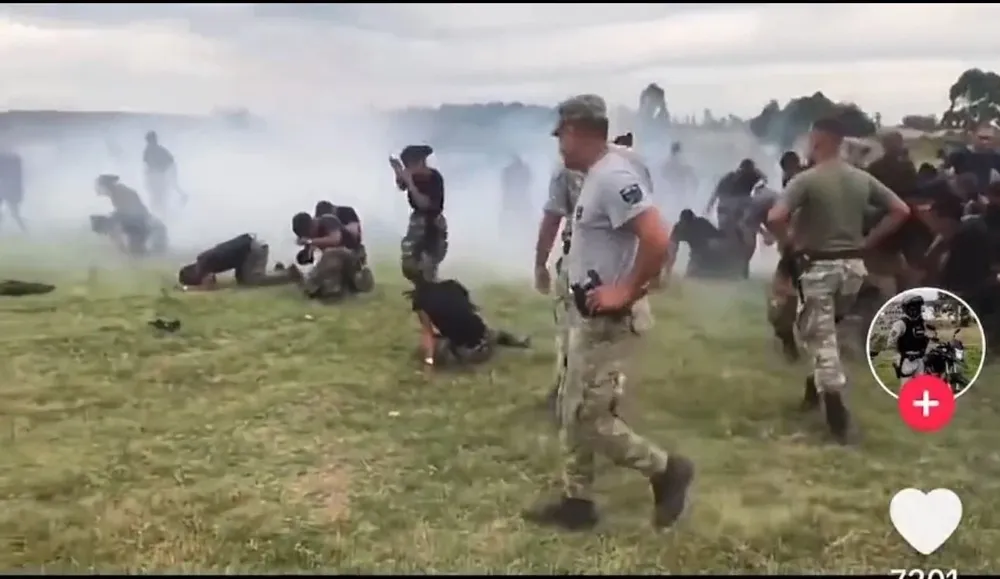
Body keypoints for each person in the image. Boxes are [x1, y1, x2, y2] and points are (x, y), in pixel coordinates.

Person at [524, 94, 694, 531]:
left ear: (577, 131)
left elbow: (656, 237)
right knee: (571, 408)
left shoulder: (612, 177)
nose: (559, 145)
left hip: (608, 321)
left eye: (561, 135)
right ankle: (577, 501)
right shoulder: (596, 175)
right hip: (587, 314)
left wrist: (626, 291)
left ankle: (665, 470)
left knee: (590, 418)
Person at [767, 117, 910, 444]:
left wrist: (790, 245)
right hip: (853, 269)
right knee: (823, 331)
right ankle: (813, 388)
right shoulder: (862, 178)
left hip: (818, 267)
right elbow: (901, 210)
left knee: (822, 340)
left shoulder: (806, 180)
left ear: (818, 141)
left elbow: (775, 217)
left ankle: (837, 419)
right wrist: (868, 242)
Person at [534, 163, 586, 420]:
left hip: (578, 261)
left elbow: (553, 217)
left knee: (571, 332)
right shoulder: (629, 165)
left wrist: (540, 263)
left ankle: (567, 394)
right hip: (613, 264)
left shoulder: (568, 170)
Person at [409, 277, 530, 366]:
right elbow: (470, 310)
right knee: (493, 333)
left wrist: (429, 361)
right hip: (484, 338)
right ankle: (519, 342)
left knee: (440, 344)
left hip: (471, 355)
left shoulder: (421, 302)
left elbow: (428, 335)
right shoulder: (452, 286)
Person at [391, 145, 448, 284]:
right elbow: (401, 185)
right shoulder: (416, 176)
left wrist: (411, 183)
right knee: (410, 262)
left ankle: (431, 287)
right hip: (417, 222)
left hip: (433, 224)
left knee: (428, 263)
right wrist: (398, 171)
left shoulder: (433, 178)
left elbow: (424, 204)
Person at [177, 234, 300, 290]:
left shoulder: (203, 265)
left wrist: (193, 289)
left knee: (252, 280)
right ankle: (279, 272)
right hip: (247, 251)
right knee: (242, 281)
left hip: (253, 250)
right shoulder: (203, 260)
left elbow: (210, 284)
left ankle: (290, 274)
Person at [93, 174, 168, 257]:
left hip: (138, 223)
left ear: (107, 185)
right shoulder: (116, 192)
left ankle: (131, 251)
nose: (100, 190)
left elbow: (130, 210)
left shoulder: (120, 192)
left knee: (137, 253)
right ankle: (125, 251)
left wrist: (113, 218)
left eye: (101, 186)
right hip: (135, 222)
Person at [291, 211, 356, 301]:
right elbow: (309, 256)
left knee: (330, 253)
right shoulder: (314, 236)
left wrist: (310, 241)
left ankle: (312, 285)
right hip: (336, 262)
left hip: (352, 255)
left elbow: (335, 240)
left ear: (312, 225)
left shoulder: (328, 220)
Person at [314, 200, 374, 292]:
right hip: (331, 256)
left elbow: (354, 233)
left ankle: (358, 277)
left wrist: (336, 229)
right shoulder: (320, 221)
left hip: (351, 251)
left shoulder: (346, 212)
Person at [884, 294, 931, 386]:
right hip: (907, 360)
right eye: (912, 307)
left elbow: (927, 338)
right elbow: (891, 342)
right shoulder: (900, 324)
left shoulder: (922, 323)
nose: (915, 310)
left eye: (917, 307)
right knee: (907, 388)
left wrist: (925, 352)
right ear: (906, 309)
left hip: (920, 360)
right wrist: (898, 355)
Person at [706, 159, 762, 232]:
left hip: (727, 206)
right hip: (733, 206)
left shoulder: (731, 176)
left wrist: (710, 206)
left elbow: (716, 192)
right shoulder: (750, 176)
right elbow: (717, 192)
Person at [142, 131, 183, 211]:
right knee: (155, 198)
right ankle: (157, 213)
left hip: (160, 178)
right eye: (150, 140)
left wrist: (172, 178)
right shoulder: (148, 151)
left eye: (153, 140)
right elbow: (147, 164)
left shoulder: (160, 150)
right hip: (153, 179)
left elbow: (171, 162)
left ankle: (162, 213)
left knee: (161, 198)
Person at [501, 155, 532, 230]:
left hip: (518, 197)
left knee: (523, 215)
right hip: (513, 198)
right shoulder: (509, 170)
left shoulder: (508, 170)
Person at [0, 151, 27, 232]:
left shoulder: (10, 164)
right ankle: (24, 230)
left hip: (8, 190)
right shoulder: (13, 164)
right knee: (15, 214)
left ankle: (24, 230)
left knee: (15, 213)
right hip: (7, 190)